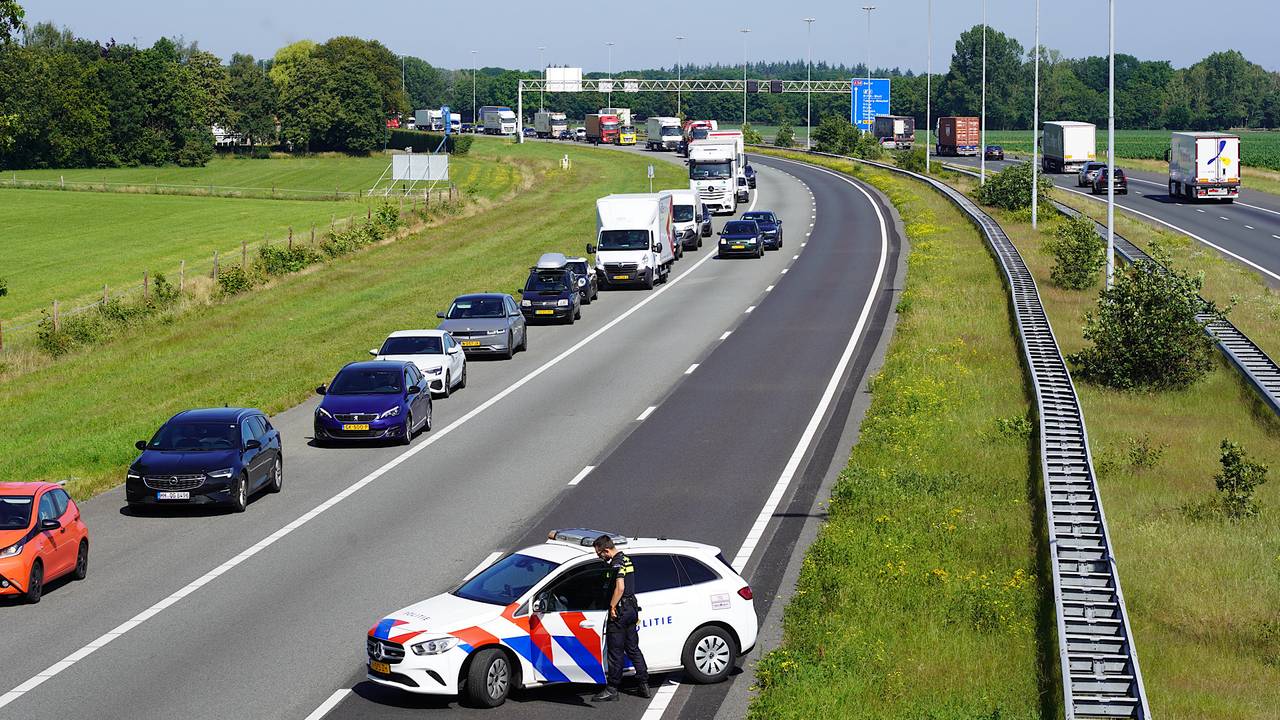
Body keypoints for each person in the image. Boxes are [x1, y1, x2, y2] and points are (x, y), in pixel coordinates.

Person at [591, 534, 649, 701]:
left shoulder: (616, 563)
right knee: (633, 648)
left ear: (606, 550)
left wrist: (612, 606)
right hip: (632, 609)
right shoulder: (627, 559)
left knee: (615, 651)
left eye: (599, 554)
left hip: (621, 610)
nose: (599, 557)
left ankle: (612, 689)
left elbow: (620, 587)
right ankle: (644, 684)